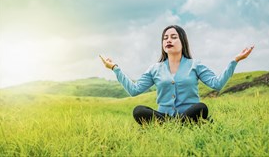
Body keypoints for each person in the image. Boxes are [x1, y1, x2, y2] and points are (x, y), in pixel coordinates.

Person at [100, 25, 254, 125]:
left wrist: (235, 61)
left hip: (189, 113)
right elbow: (134, 90)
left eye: (173, 37)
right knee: (139, 111)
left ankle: (176, 125)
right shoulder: (155, 69)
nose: (168, 40)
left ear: (182, 41)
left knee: (201, 107)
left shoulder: (195, 65)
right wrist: (115, 68)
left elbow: (217, 84)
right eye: (165, 38)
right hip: (164, 117)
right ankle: (178, 125)